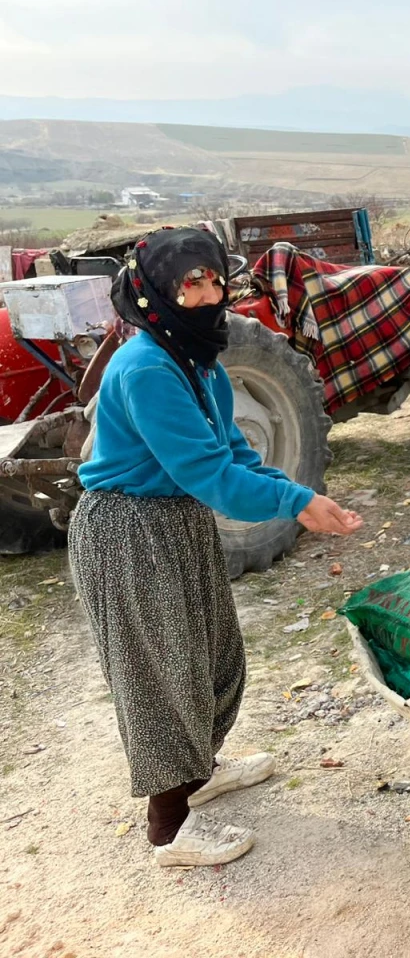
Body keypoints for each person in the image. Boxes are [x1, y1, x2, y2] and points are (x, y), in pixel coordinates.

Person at [70, 227, 363, 868]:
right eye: (188, 285)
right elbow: (209, 477)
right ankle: (168, 830)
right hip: (129, 532)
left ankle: (199, 773)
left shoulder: (199, 361)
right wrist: (297, 506)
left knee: (211, 656)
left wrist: (297, 491)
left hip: (175, 525)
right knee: (161, 674)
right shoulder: (147, 367)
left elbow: (232, 452)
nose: (206, 296)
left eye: (211, 280)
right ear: (155, 296)